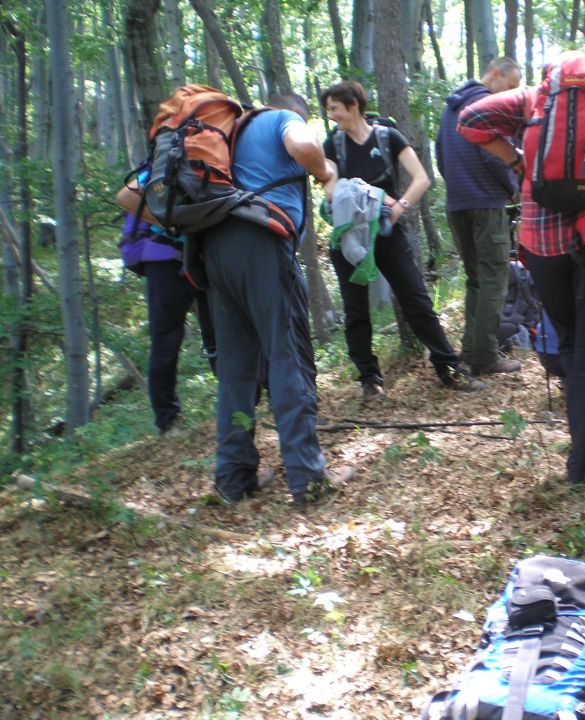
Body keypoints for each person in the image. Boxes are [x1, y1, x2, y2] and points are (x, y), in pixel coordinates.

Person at [458, 52, 585, 487]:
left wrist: (518, 161)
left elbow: (470, 120)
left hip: (543, 239)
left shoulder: (534, 99)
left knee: (573, 344)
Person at [200, 93, 353, 508]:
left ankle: (234, 481)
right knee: (288, 355)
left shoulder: (227, 134)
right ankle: (308, 480)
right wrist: (325, 171)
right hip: (262, 242)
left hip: (215, 250)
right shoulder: (282, 119)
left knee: (236, 371)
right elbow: (303, 147)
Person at [320, 81, 484, 400]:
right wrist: (349, 194)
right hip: (350, 235)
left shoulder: (388, 136)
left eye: (334, 108)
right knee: (355, 311)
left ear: (353, 105)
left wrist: (398, 208)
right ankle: (369, 379)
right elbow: (330, 185)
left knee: (416, 299)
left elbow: (422, 178)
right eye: (328, 110)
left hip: (385, 231)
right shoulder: (332, 145)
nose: (331, 115)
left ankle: (448, 368)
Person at [436, 57, 523, 376]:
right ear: (496, 74)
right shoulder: (489, 106)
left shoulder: (451, 107)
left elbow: (440, 155)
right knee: (494, 279)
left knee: (477, 278)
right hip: (486, 203)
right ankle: (484, 356)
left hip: (457, 204)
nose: (511, 93)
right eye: (511, 85)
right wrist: (513, 187)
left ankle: (472, 350)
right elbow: (498, 157)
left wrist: (458, 187)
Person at [111, 201, 217, 436]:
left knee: (208, 334)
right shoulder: (165, 170)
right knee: (172, 340)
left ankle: (170, 420)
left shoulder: (154, 171)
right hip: (172, 257)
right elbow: (127, 198)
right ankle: (168, 420)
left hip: (176, 258)